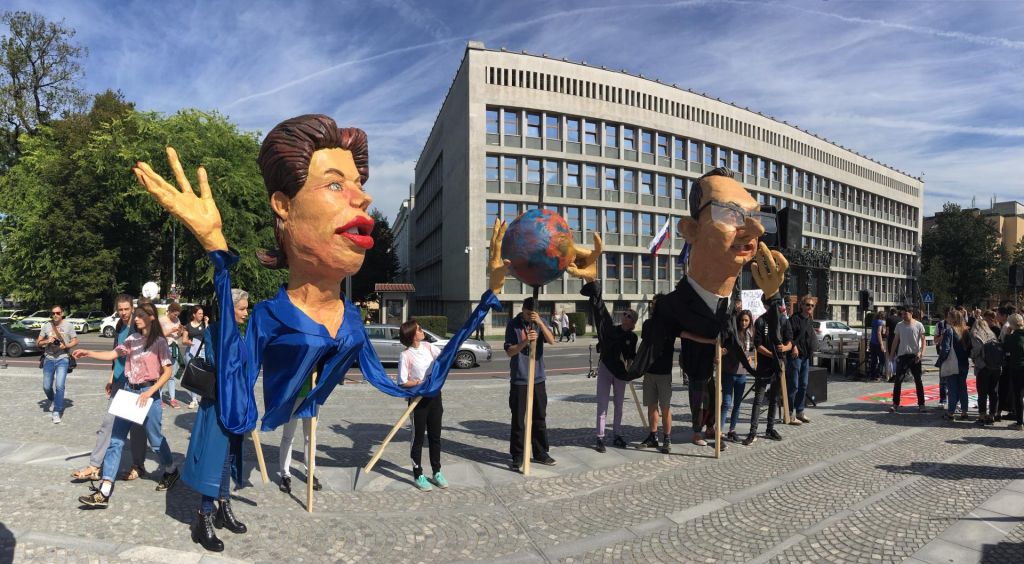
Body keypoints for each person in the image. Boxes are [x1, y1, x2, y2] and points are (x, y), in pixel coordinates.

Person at [628, 168, 787, 452]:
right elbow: (631, 368)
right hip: (696, 375)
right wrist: (593, 290)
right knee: (699, 393)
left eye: (754, 216)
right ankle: (697, 429)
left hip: (724, 375)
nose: (756, 230)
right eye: (730, 214)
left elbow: (772, 356)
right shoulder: (671, 306)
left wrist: (774, 297)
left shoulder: (733, 308)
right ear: (691, 229)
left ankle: (716, 428)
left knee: (720, 398)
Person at [73, 302, 179, 508]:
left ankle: (171, 469)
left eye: (140, 315)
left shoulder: (159, 342)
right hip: (128, 392)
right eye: (136, 315)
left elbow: (167, 372)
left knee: (155, 441)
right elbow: (113, 355)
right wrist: (88, 352)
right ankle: (104, 491)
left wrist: (149, 392)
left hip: (148, 394)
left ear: (151, 318)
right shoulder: (132, 339)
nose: (136, 319)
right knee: (116, 440)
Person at [180, 288, 251, 552]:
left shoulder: (239, 334)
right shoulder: (217, 331)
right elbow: (217, 364)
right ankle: (203, 518)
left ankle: (224, 506)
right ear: (230, 309)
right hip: (218, 406)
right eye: (242, 308)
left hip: (235, 407)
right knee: (214, 461)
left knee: (229, 458)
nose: (246, 311)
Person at [71, 295, 148, 482]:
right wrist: (111, 378)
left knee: (138, 428)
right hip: (120, 382)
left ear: (132, 308)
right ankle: (95, 465)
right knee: (108, 422)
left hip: (137, 383)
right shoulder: (119, 327)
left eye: (126, 309)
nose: (123, 313)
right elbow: (115, 356)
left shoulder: (138, 326)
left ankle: (138, 465)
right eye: (120, 309)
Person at [581, 278, 637, 452]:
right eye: (624, 314)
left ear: (633, 322)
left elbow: (631, 356)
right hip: (606, 369)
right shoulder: (613, 330)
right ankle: (600, 437)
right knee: (602, 404)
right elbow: (602, 327)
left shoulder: (632, 338)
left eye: (628, 315)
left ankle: (617, 435)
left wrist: (632, 369)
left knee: (619, 406)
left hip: (620, 374)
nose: (624, 316)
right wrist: (602, 344)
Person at [505, 297, 556, 470]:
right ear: (523, 309)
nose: (529, 317)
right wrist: (525, 341)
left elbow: (552, 340)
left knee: (539, 417)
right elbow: (510, 352)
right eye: (527, 313)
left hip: (538, 378)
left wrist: (540, 323)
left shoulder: (540, 322)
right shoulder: (513, 324)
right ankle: (517, 456)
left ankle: (541, 452)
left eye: (532, 314)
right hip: (520, 379)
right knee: (518, 419)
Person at [397, 319, 447, 491]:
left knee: (435, 436)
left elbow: (442, 360)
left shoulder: (428, 347)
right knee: (418, 438)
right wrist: (418, 383)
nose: (421, 330)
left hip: (435, 398)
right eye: (418, 329)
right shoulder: (406, 355)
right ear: (412, 336)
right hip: (418, 402)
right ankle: (418, 473)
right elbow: (402, 382)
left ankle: (436, 472)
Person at [744, 307, 792, 444]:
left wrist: (785, 348)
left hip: (779, 366)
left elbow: (790, 341)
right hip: (764, 366)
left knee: (774, 398)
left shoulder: (783, 320)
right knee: (758, 398)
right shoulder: (760, 321)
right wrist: (772, 355)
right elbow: (758, 345)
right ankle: (752, 431)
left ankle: (770, 428)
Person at [638, 294, 676, 453]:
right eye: (652, 304)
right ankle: (653, 436)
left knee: (665, 407)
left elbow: (688, 333)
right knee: (651, 405)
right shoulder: (647, 324)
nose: (653, 307)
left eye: (656, 304)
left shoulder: (671, 325)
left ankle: (667, 438)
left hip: (664, 372)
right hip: (650, 372)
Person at [37, 305, 79, 424]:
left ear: (62, 313)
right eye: (53, 313)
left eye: (58, 313)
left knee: (60, 386)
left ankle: (57, 411)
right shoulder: (46, 326)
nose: (55, 315)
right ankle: (53, 399)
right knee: (46, 386)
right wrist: (47, 341)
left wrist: (66, 346)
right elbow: (38, 343)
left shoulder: (68, 325)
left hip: (63, 358)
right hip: (49, 359)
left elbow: (75, 340)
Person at [722, 310, 754, 442]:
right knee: (726, 403)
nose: (744, 323)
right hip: (729, 372)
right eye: (742, 320)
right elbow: (725, 348)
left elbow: (749, 351)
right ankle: (719, 430)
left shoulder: (750, 334)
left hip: (742, 373)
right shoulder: (732, 334)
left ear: (750, 321)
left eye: (746, 320)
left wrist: (750, 358)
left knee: (737, 404)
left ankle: (732, 430)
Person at [888, 308, 927, 413]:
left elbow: (923, 341)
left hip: (915, 356)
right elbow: (895, 341)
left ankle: (921, 404)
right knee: (898, 380)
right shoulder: (899, 325)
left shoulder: (919, 325)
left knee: (918, 381)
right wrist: (891, 355)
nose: (904, 316)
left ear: (911, 313)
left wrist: (921, 353)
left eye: (906, 314)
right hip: (902, 356)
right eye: (902, 314)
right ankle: (895, 404)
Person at [786, 295, 817, 424]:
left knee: (803, 385)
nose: (810, 307)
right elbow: (788, 335)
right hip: (795, 356)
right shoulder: (795, 318)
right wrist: (793, 346)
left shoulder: (809, 319)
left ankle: (800, 411)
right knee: (794, 385)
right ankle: (789, 413)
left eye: (812, 305)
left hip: (805, 357)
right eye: (808, 305)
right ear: (802, 306)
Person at [936, 309, 970, 421]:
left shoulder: (949, 331)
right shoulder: (966, 331)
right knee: (963, 388)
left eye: (949, 317)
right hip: (964, 363)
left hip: (953, 363)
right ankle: (964, 412)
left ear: (953, 319)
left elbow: (945, 349)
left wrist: (940, 361)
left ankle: (950, 413)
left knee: (952, 389)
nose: (947, 319)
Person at [971, 310, 1001, 426]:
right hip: (996, 367)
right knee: (993, 392)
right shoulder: (992, 334)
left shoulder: (976, 334)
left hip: (983, 366)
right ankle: (992, 414)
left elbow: (977, 350)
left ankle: (982, 415)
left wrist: (972, 356)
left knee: (982, 392)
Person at [181, 305, 207, 408]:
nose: (201, 315)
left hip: (202, 352)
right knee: (192, 375)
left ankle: (204, 398)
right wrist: (190, 343)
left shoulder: (204, 325)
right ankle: (194, 399)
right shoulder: (188, 326)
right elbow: (183, 340)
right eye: (199, 313)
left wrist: (206, 323)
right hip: (191, 352)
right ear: (194, 314)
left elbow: (208, 337)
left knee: (203, 375)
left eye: (202, 313)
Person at [160, 302, 185, 408]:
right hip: (163, 348)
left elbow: (177, 336)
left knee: (172, 375)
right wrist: (171, 330)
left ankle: (173, 399)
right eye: (174, 314)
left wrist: (180, 332)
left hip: (174, 348)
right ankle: (159, 398)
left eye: (177, 315)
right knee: (161, 374)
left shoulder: (177, 320)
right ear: (169, 311)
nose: (176, 316)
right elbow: (158, 335)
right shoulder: (161, 320)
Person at [1003, 313, 1024, 431]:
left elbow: (1006, 348)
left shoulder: (1013, 337)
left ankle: (1019, 423)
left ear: (1011, 324)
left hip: (1018, 369)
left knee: (1018, 396)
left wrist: (1007, 334)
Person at [868, 310, 887, 381]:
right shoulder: (880, 322)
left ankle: (872, 375)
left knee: (874, 360)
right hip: (877, 343)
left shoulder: (874, 321)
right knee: (882, 360)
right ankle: (879, 375)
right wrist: (881, 344)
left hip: (872, 343)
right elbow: (879, 333)